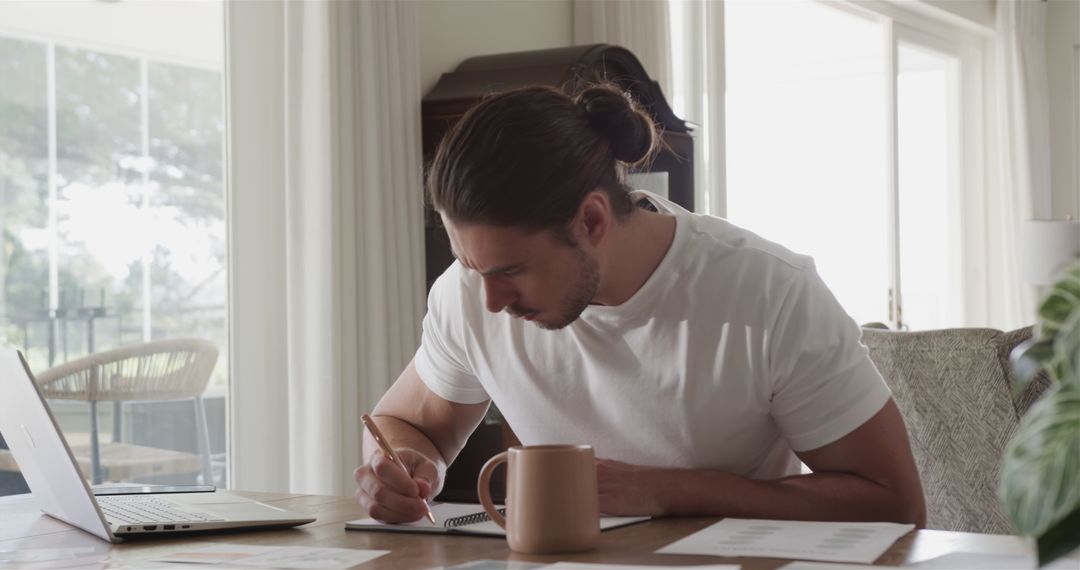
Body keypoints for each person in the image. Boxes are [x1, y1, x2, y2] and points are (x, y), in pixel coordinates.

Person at [353, 83, 926, 527]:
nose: (492, 301)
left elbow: (896, 505)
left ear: (592, 220)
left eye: (510, 271)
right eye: (472, 267)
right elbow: (405, 422)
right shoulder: (468, 294)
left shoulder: (770, 292)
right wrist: (402, 465)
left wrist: (671, 492)